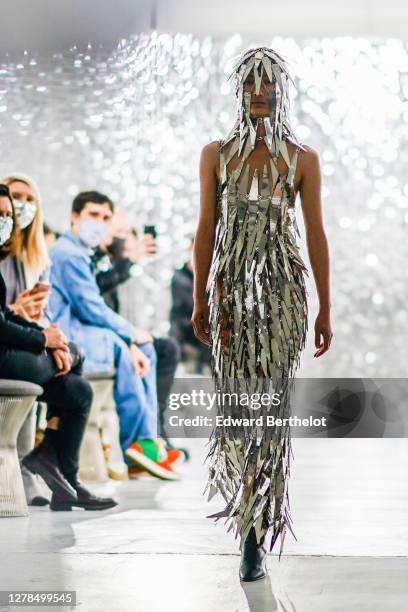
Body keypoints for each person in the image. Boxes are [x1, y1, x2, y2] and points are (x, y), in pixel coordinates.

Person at [192, 47, 333, 580]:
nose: (260, 93)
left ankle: (255, 531)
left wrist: (325, 307)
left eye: (269, 84)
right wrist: (201, 296)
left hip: (282, 294)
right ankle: (246, 518)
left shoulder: (302, 159)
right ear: (238, 90)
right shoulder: (216, 154)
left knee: (270, 408)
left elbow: (315, 233)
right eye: (250, 83)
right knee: (237, 404)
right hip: (231, 294)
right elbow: (206, 228)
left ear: (282, 90)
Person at [0, 183, 117, 511]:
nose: (7, 220)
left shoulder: (28, 257)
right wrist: (46, 340)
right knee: (76, 354)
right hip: (6, 356)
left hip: (14, 349)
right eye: (2, 213)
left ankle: (67, 479)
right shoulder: (65, 253)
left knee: (79, 391)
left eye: (7, 215)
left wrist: (51, 337)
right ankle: (49, 458)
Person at [48, 191, 181, 480]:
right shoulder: (69, 253)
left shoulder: (76, 252)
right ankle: (141, 443)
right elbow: (90, 307)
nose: (100, 222)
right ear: (74, 216)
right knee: (138, 349)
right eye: (93, 215)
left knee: (141, 349)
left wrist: (130, 337)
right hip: (72, 334)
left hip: (82, 330)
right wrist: (130, 334)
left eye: (105, 217)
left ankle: (145, 441)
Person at [170, 237, 211, 373]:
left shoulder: (213, 277)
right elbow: (189, 307)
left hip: (208, 340)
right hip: (187, 336)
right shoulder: (179, 277)